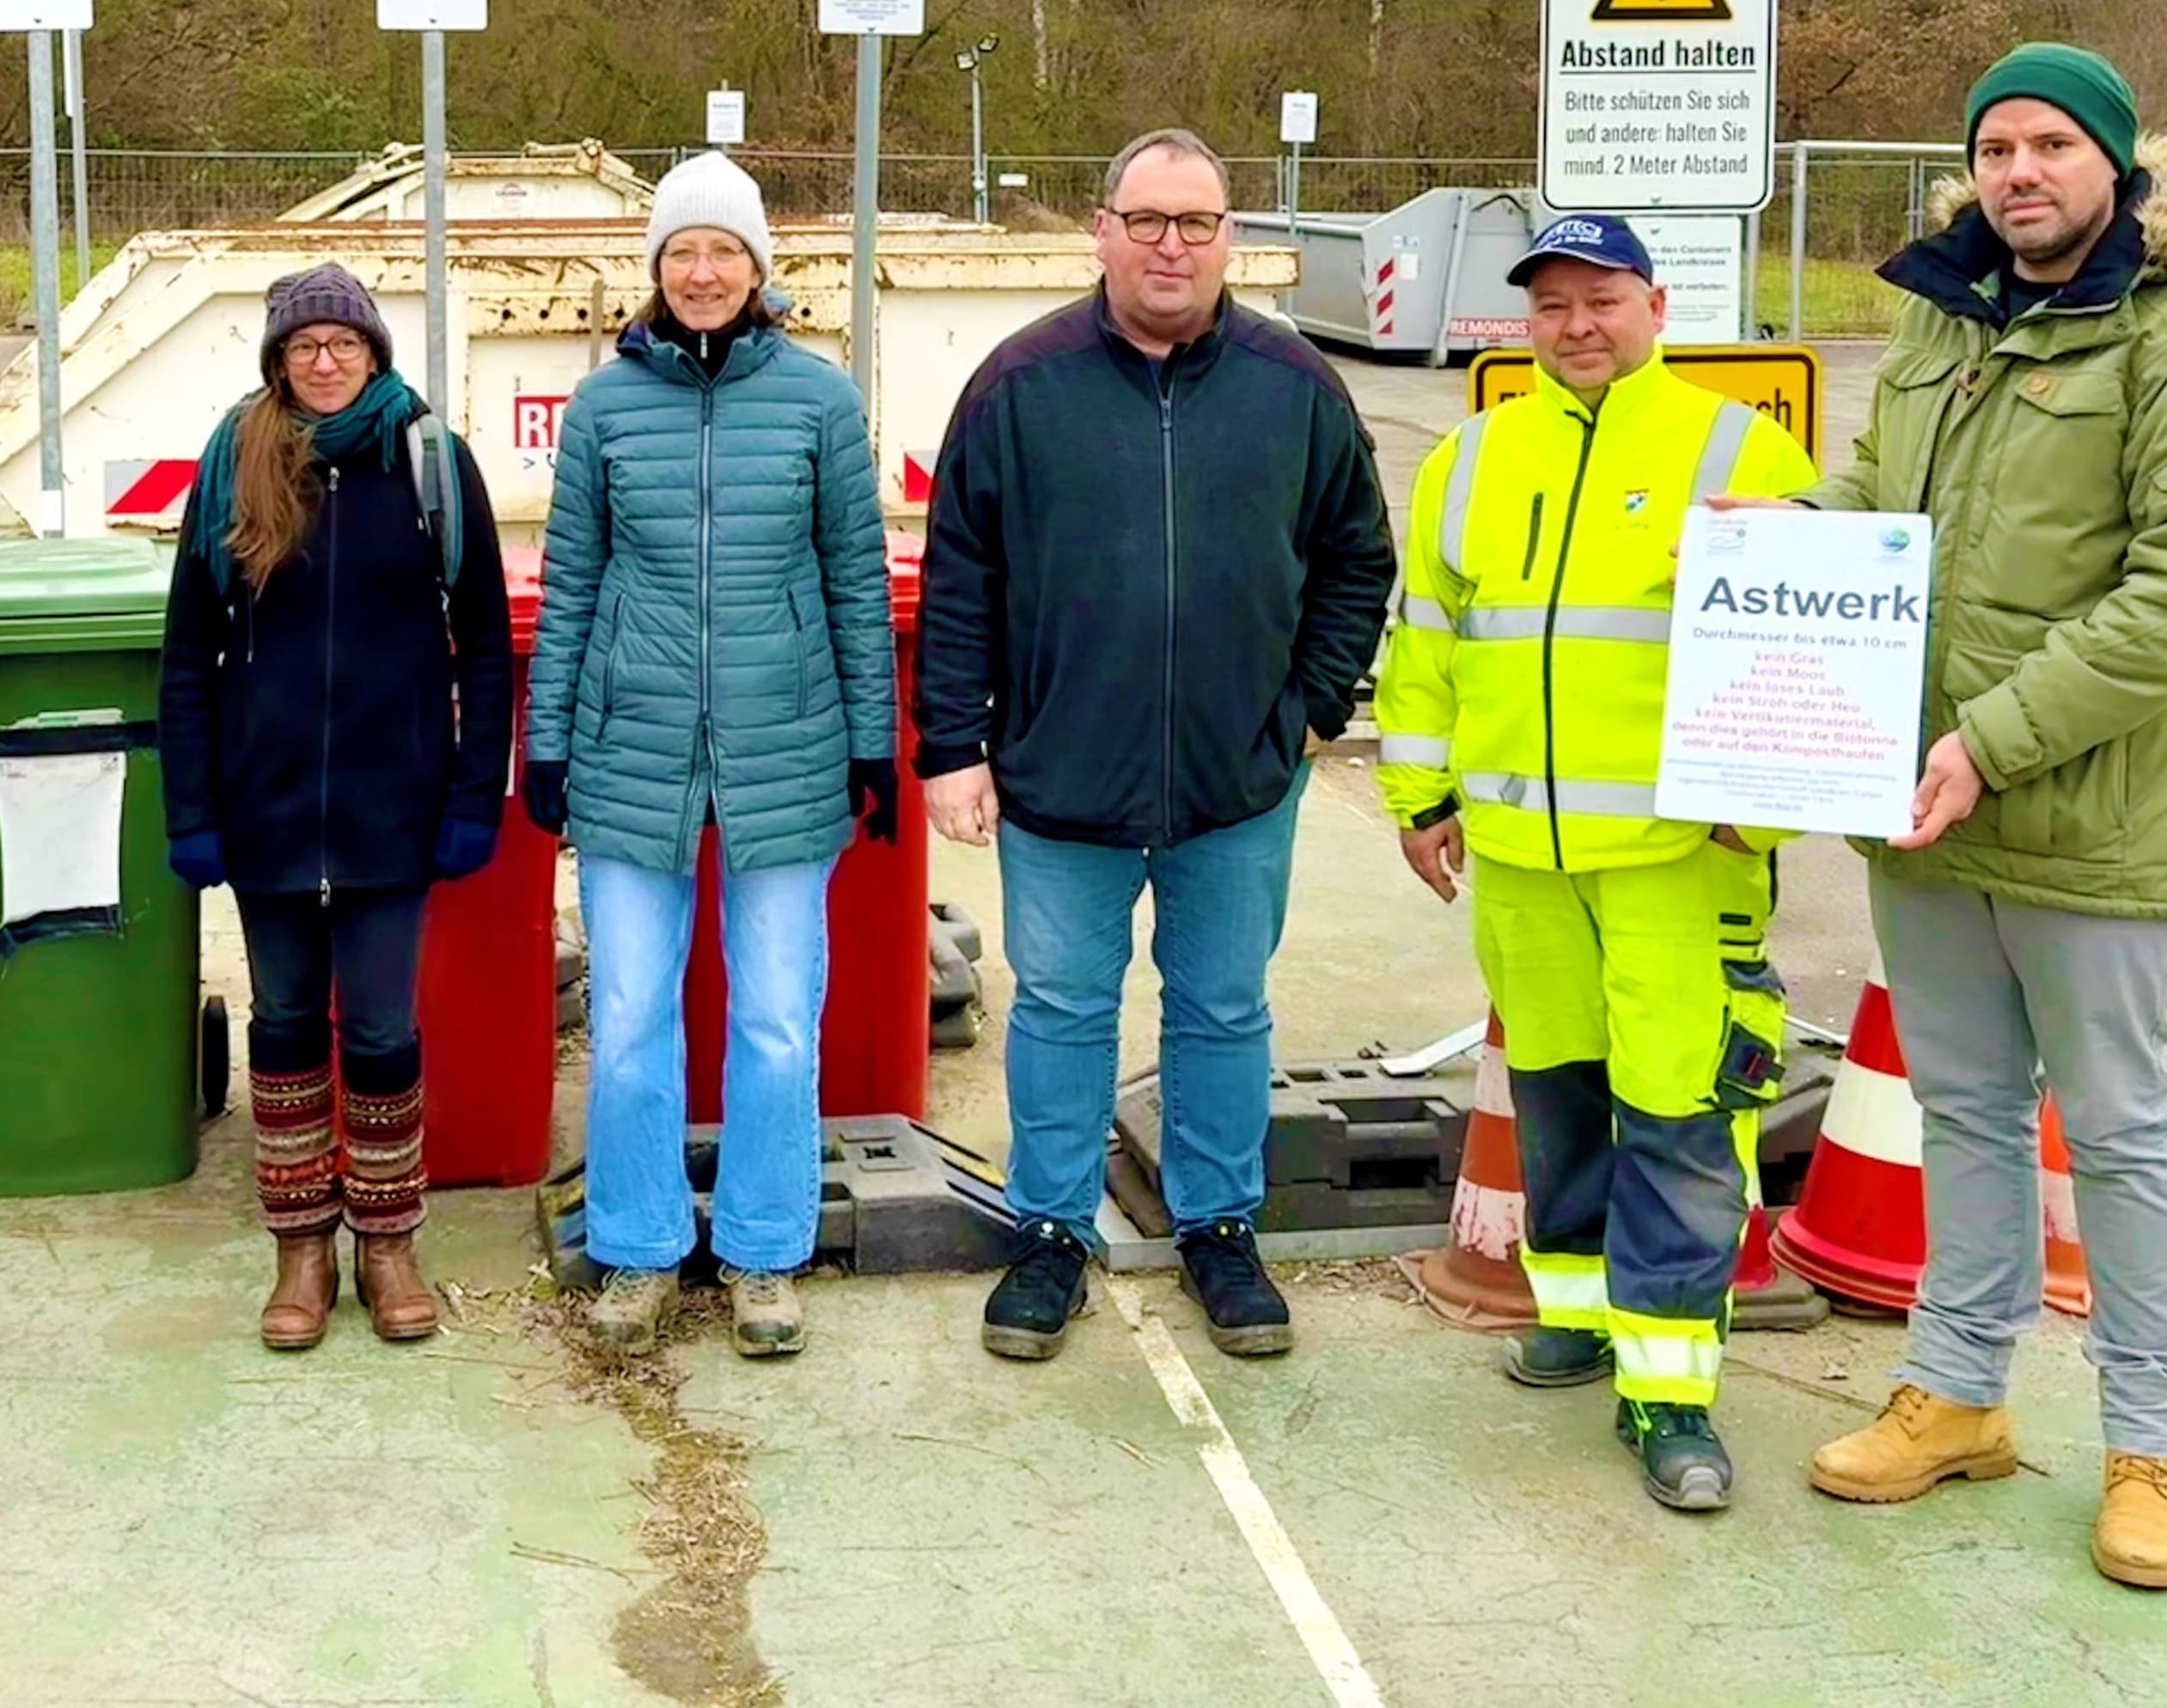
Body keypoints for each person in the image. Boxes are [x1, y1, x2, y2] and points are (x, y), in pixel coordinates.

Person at [1778, 48, 2167, 1590]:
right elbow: (1874, 500)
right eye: (1996, 145)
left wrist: (1990, 741)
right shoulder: (1941, 314)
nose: (2019, 171)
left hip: (2085, 822)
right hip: (1924, 813)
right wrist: (1780, 558)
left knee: (2123, 1134)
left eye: (2052, 144)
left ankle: (2147, 1446)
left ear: (2120, 166)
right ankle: (1961, 1392)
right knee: (1965, 1111)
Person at [918, 130, 1396, 1365]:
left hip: (1236, 779)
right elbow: (962, 573)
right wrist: (952, 745)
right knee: (1065, 1006)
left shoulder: (1294, 387)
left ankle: (1218, 1225)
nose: (1171, 244)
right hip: (1058, 773)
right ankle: (1049, 1232)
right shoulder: (1021, 385)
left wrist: (1308, 707)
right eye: (1147, 220)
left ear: (1232, 235)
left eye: (1196, 221)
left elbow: (1357, 558)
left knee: (1223, 1005)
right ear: (1101, 229)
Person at [1373, 212, 1819, 1512]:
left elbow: (1809, 646)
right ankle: (1577, 1316)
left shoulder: (1740, 446)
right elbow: (1427, 644)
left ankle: (1670, 1391)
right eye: (1552, 303)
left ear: (1656, 306)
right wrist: (1420, 792)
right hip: (1521, 856)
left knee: (1683, 1118)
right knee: (1562, 1102)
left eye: (1601, 298)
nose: (1576, 324)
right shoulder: (1472, 456)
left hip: (1683, 862)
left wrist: (1770, 807)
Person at [522, 152, 895, 1361]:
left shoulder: (821, 403)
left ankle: (764, 1247)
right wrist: (550, 741)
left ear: (758, 266)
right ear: (654, 268)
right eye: (681, 250)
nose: (701, 269)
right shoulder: (603, 409)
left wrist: (869, 741)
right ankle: (635, 1248)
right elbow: (573, 580)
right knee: (630, 1011)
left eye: (722, 249)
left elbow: (853, 576)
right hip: (631, 746)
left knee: (781, 1014)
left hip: (785, 744)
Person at [159, 265, 514, 1349]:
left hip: (390, 809)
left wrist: (470, 798)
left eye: (343, 343)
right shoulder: (235, 461)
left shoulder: (430, 464)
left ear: (374, 353)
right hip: (264, 811)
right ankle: (300, 1249)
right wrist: (192, 810)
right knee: (280, 1027)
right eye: (303, 345)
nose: (324, 360)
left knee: (380, 1027)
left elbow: (489, 650)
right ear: (278, 360)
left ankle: (390, 1242)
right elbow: (187, 656)